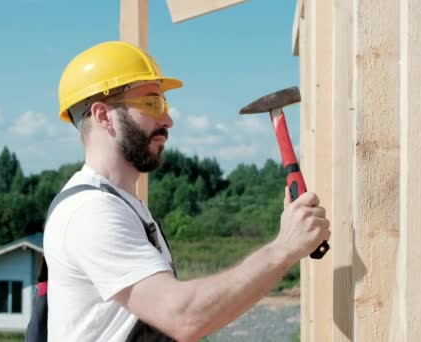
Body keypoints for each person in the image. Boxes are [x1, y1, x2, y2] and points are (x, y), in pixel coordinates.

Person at [44, 41, 331, 342]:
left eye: (164, 106)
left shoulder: (124, 204)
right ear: (103, 116)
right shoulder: (90, 212)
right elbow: (183, 317)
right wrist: (284, 248)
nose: (167, 120)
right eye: (152, 104)